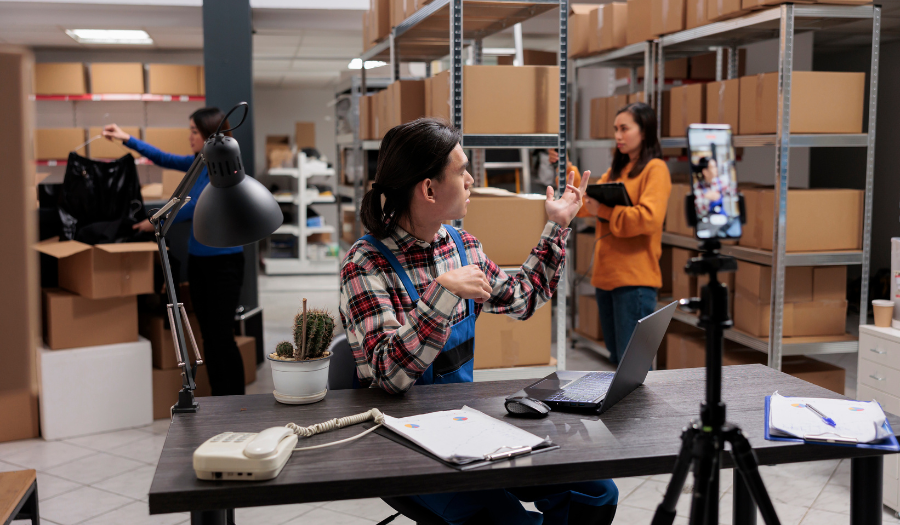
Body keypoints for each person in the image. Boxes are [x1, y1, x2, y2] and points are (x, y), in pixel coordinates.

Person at [338, 118, 617, 525]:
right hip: (402, 440)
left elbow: (522, 299)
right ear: (429, 189)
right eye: (461, 170)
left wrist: (557, 225)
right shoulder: (365, 263)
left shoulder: (463, 246)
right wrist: (443, 293)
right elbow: (388, 374)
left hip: (463, 425)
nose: (471, 179)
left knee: (596, 492)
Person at [102, 108, 246, 396]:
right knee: (207, 336)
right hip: (199, 263)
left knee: (221, 337)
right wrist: (126, 138)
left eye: (194, 130)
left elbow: (195, 203)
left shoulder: (225, 167)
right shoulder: (198, 163)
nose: (189, 136)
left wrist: (155, 220)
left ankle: (234, 400)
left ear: (209, 134)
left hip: (224, 265)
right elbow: (163, 158)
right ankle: (220, 398)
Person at [580, 102, 671, 366]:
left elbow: (648, 219)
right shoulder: (616, 171)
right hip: (607, 279)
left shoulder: (655, 169)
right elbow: (589, 205)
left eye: (624, 129)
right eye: (615, 129)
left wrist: (606, 211)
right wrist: (568, 169)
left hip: (635, 282)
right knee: (617, 362)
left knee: (632, 367)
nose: (618, 136)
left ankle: (636, 411)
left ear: (644, 131)